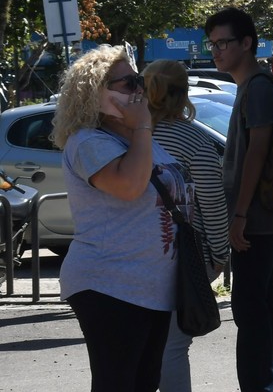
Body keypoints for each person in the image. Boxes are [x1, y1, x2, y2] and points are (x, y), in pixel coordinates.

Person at [52, 45, 189, 392]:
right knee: (118, 383)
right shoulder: (88, 142)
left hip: (153, 287)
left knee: (144, 382)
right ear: (95, 92)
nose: (139, 90)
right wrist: (142, 125)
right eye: (127, 83)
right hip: (109, 283)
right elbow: (129, 186)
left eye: (139, 80)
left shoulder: (138, 138)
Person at [205, 7, 273, 392]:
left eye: (223, 43)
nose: (216, 51)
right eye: (212, 44)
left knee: (251, 310)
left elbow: (257, 151)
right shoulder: (251, 86)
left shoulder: (257, 86)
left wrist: (239, 215)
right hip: (262, 217)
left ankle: (262, 386)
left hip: (256, 218)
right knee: (266, 306)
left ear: (247, 43)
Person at [143, 59, 231, 392]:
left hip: (131, 256)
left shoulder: (126, 137)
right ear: (184, 95)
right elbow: (212, 204)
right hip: (180, 258)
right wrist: (220, 255)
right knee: (173, 347)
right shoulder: (195, 142)